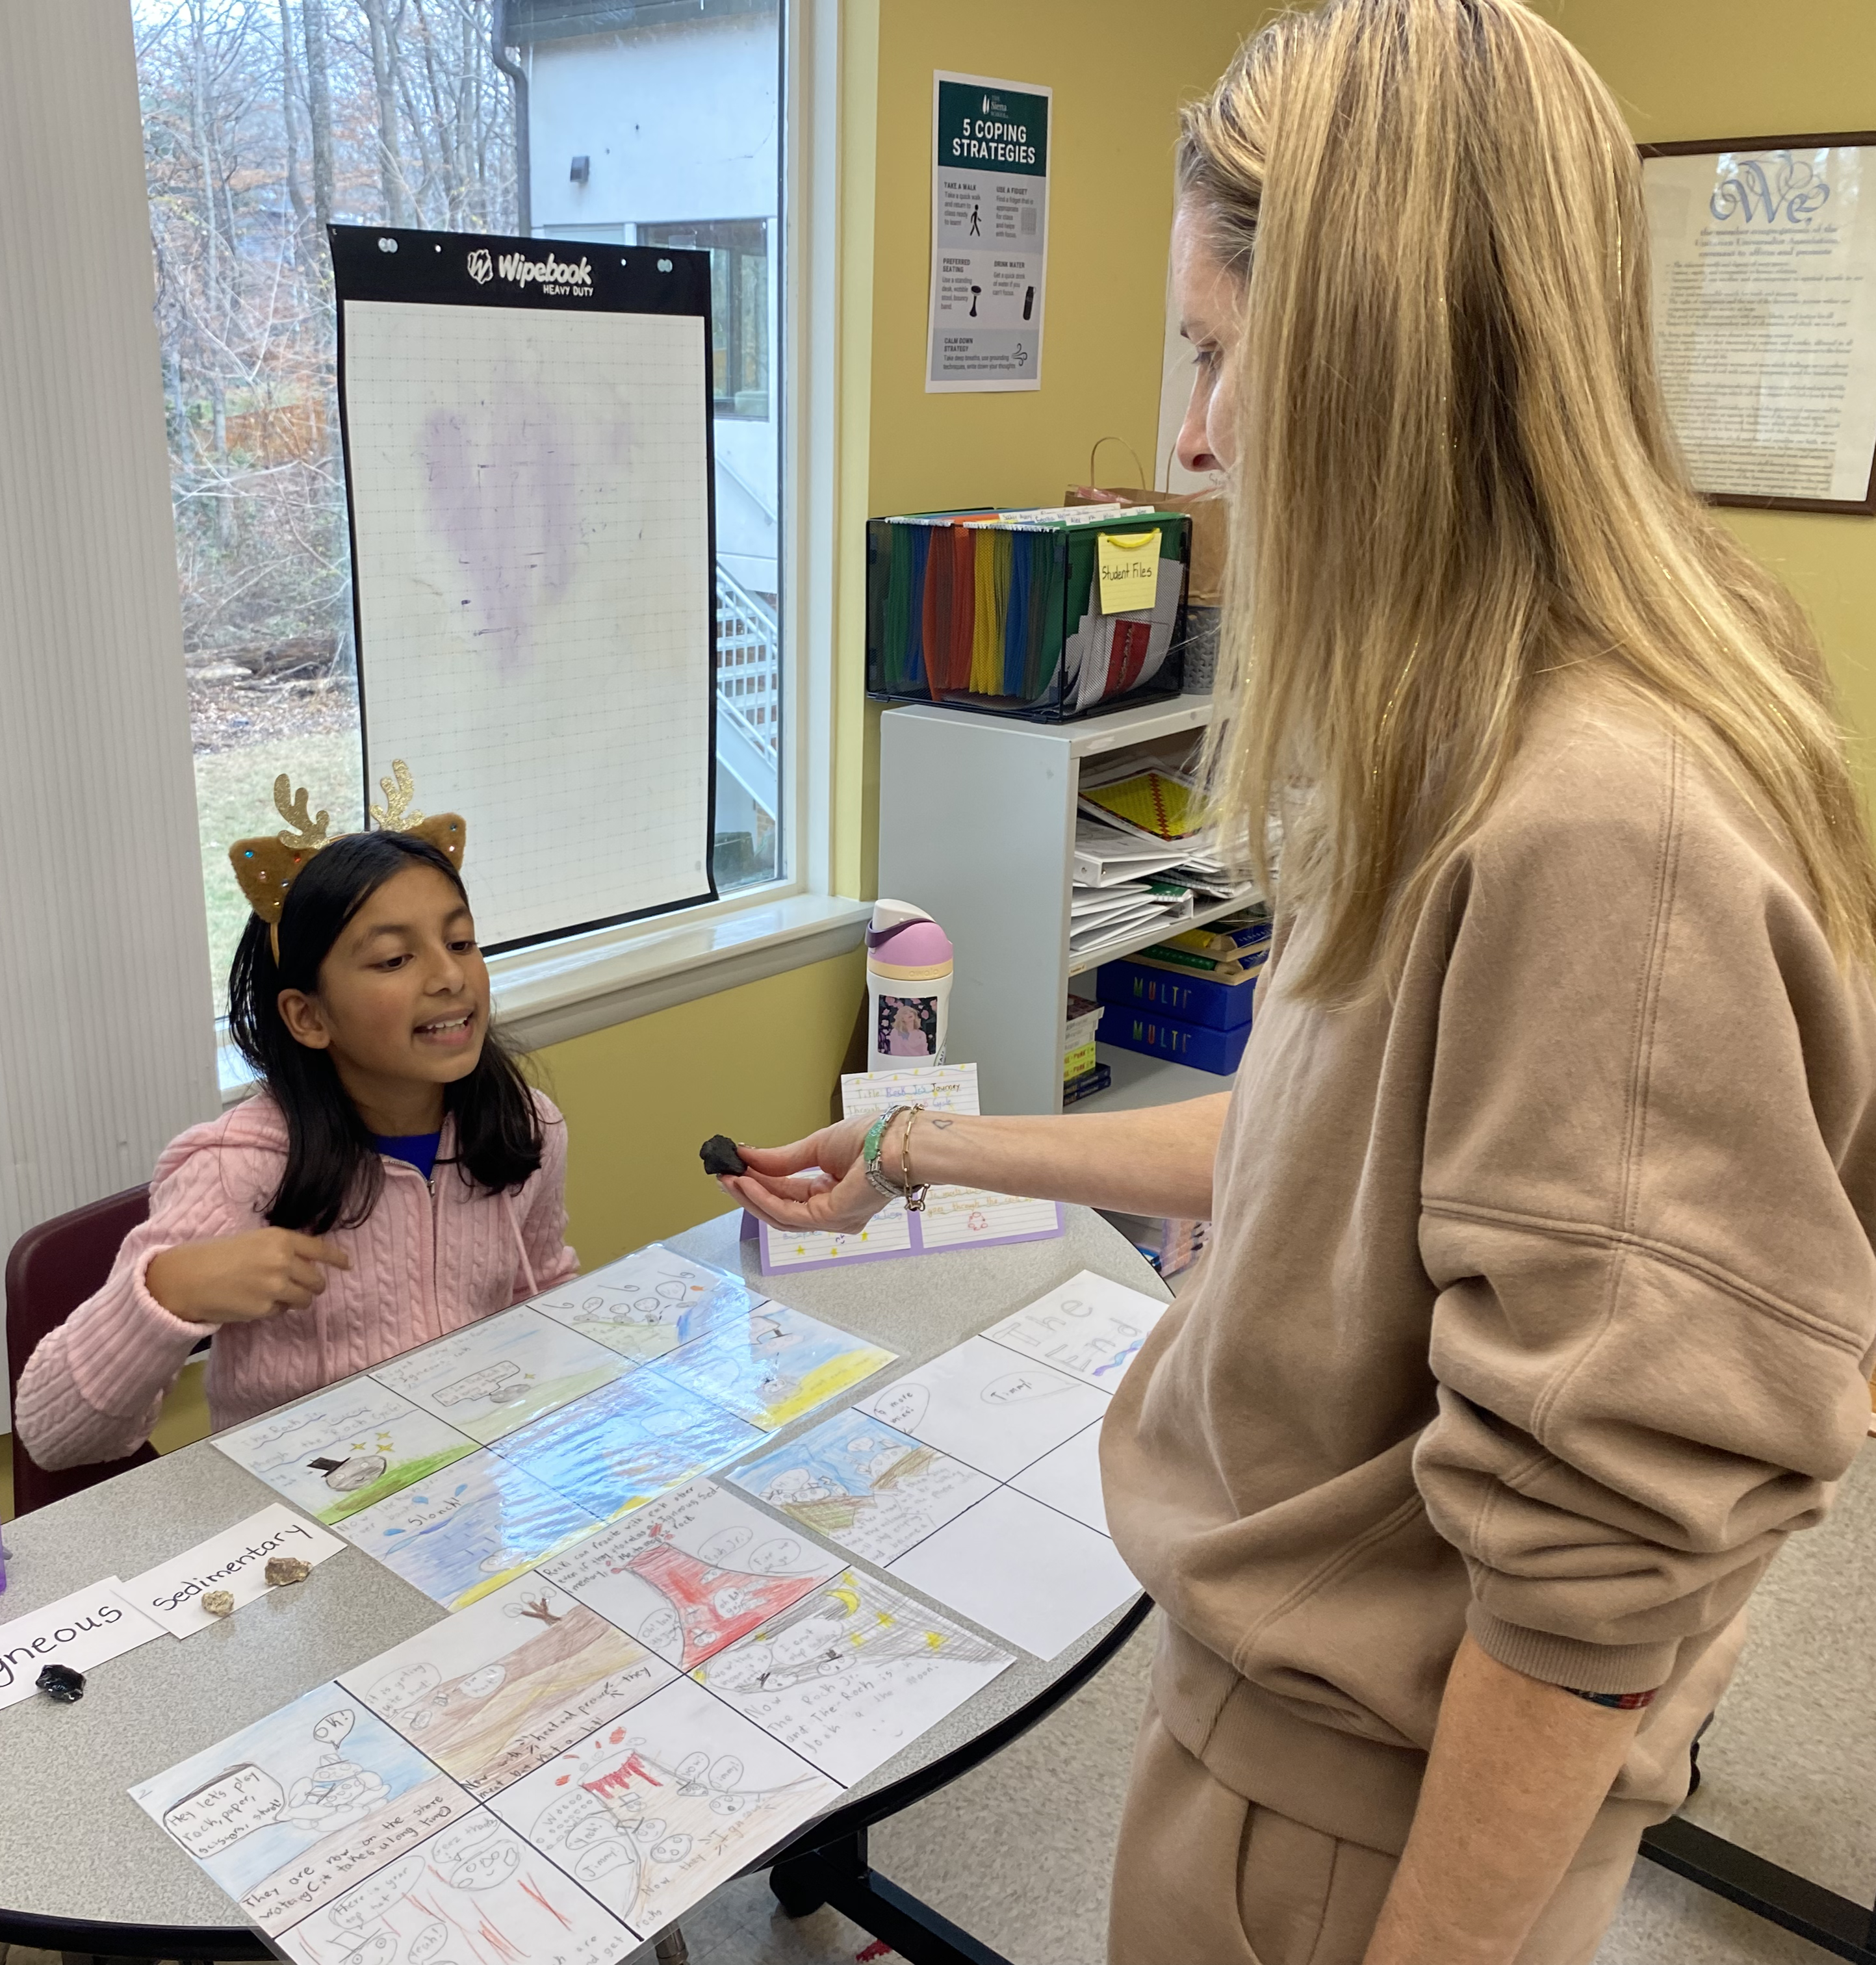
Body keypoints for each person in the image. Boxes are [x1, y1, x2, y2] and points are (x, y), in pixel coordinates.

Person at [719, 4, 1876, 1961]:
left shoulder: (1608, 829)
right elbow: (1332, 1164)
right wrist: (918, 1147)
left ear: (1366, 356)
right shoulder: (1507, 736)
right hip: (1305, 1748)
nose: (1188, 435)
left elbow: (1596, 1560)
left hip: (1363, 1824)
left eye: (1214, 349)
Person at [16, 777, 574, 1469]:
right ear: (308, 1016)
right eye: (395, 958)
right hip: (307, 1522)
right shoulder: (237, 1170)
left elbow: (538, 1296)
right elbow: (50, 1436)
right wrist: (170, 1290)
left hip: (473, 1493)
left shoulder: (527, 1130)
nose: (449, 977)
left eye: (460, 944)